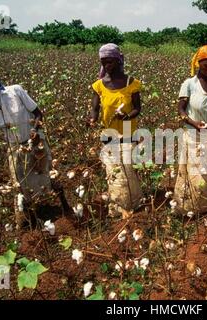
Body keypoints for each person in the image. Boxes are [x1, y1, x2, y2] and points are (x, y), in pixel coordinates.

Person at [0, 66, 70, 229]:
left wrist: (36, 130)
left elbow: (38, 114)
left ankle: (65, 207)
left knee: (44, 175)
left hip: (36, 143)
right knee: (21, 187)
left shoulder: (15, 91)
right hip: (15, 150)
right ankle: (32, 222)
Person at [88, 43, 143, 215]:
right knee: (113, 171)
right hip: (109, 134)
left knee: (128, 168)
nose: (106, 66)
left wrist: (127, 116)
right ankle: (118, 206)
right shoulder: (99, 85)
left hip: (128, 133)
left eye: (110, 62)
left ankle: (134, 203)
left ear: (119, 61)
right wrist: (92, 119)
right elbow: (95, 108)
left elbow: (137, 108)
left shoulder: (131, 83)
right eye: (103, 62)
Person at [174, 44, 207, 215]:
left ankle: (205, 207)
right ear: (198, 63)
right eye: (206, 65)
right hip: (193, 137)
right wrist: (193, 122)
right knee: (195, 173)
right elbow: (180, 110)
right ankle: (188, 208)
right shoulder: (189, 84)